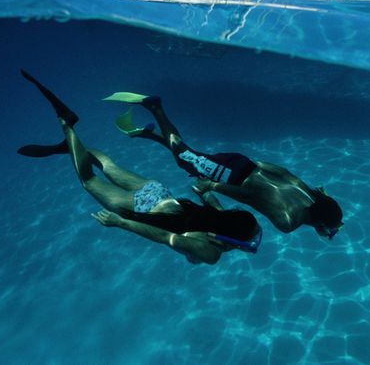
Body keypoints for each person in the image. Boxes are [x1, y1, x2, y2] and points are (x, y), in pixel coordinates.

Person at [17, 70, 262, 265]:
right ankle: (67, 125)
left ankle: (73, 148)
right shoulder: (210, 252)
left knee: (107, 165)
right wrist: (121, 222)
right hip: (143, 208)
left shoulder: (218, 217)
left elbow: (209, 198)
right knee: (88, 180)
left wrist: (205, 189)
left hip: (161, 193)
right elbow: (167, 237)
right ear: (235, 241)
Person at [104, 92, 344, 240]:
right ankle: (154, 106)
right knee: (182, 155)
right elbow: (251, 195)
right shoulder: (288, 222)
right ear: (320, 222)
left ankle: (150, 135)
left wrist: (250, 165)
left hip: (244, 164)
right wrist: (213, 186)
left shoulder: (308, 193)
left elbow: (281, 172)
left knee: (189, 159)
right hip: (232, 177)